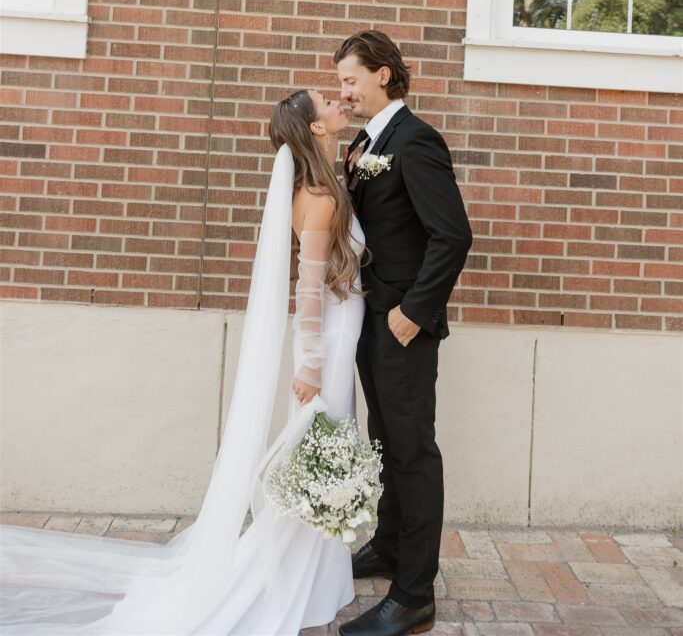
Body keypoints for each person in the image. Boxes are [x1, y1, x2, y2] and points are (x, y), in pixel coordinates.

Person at [0, 89, 366, 635]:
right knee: (320, 452)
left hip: (340, 328)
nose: (339, 101)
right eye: (327, 103)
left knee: (326, 448)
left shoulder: (329, 179)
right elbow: (308, 289)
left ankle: (319, 573)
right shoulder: (317, 196)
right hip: (329, 338)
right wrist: (310, 364)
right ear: (315, 130)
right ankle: (289, 574)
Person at [335, 31, 472, 636]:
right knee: (385, 436)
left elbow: (453, 235)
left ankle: (414, 594)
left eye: (350, 79)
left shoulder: (415, 141)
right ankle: (389, 546)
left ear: (384, 75)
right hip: (371, 318)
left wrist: (413, 312)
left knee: (414, 453)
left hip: (404, 326)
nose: (344, 91)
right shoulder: (369, 144)